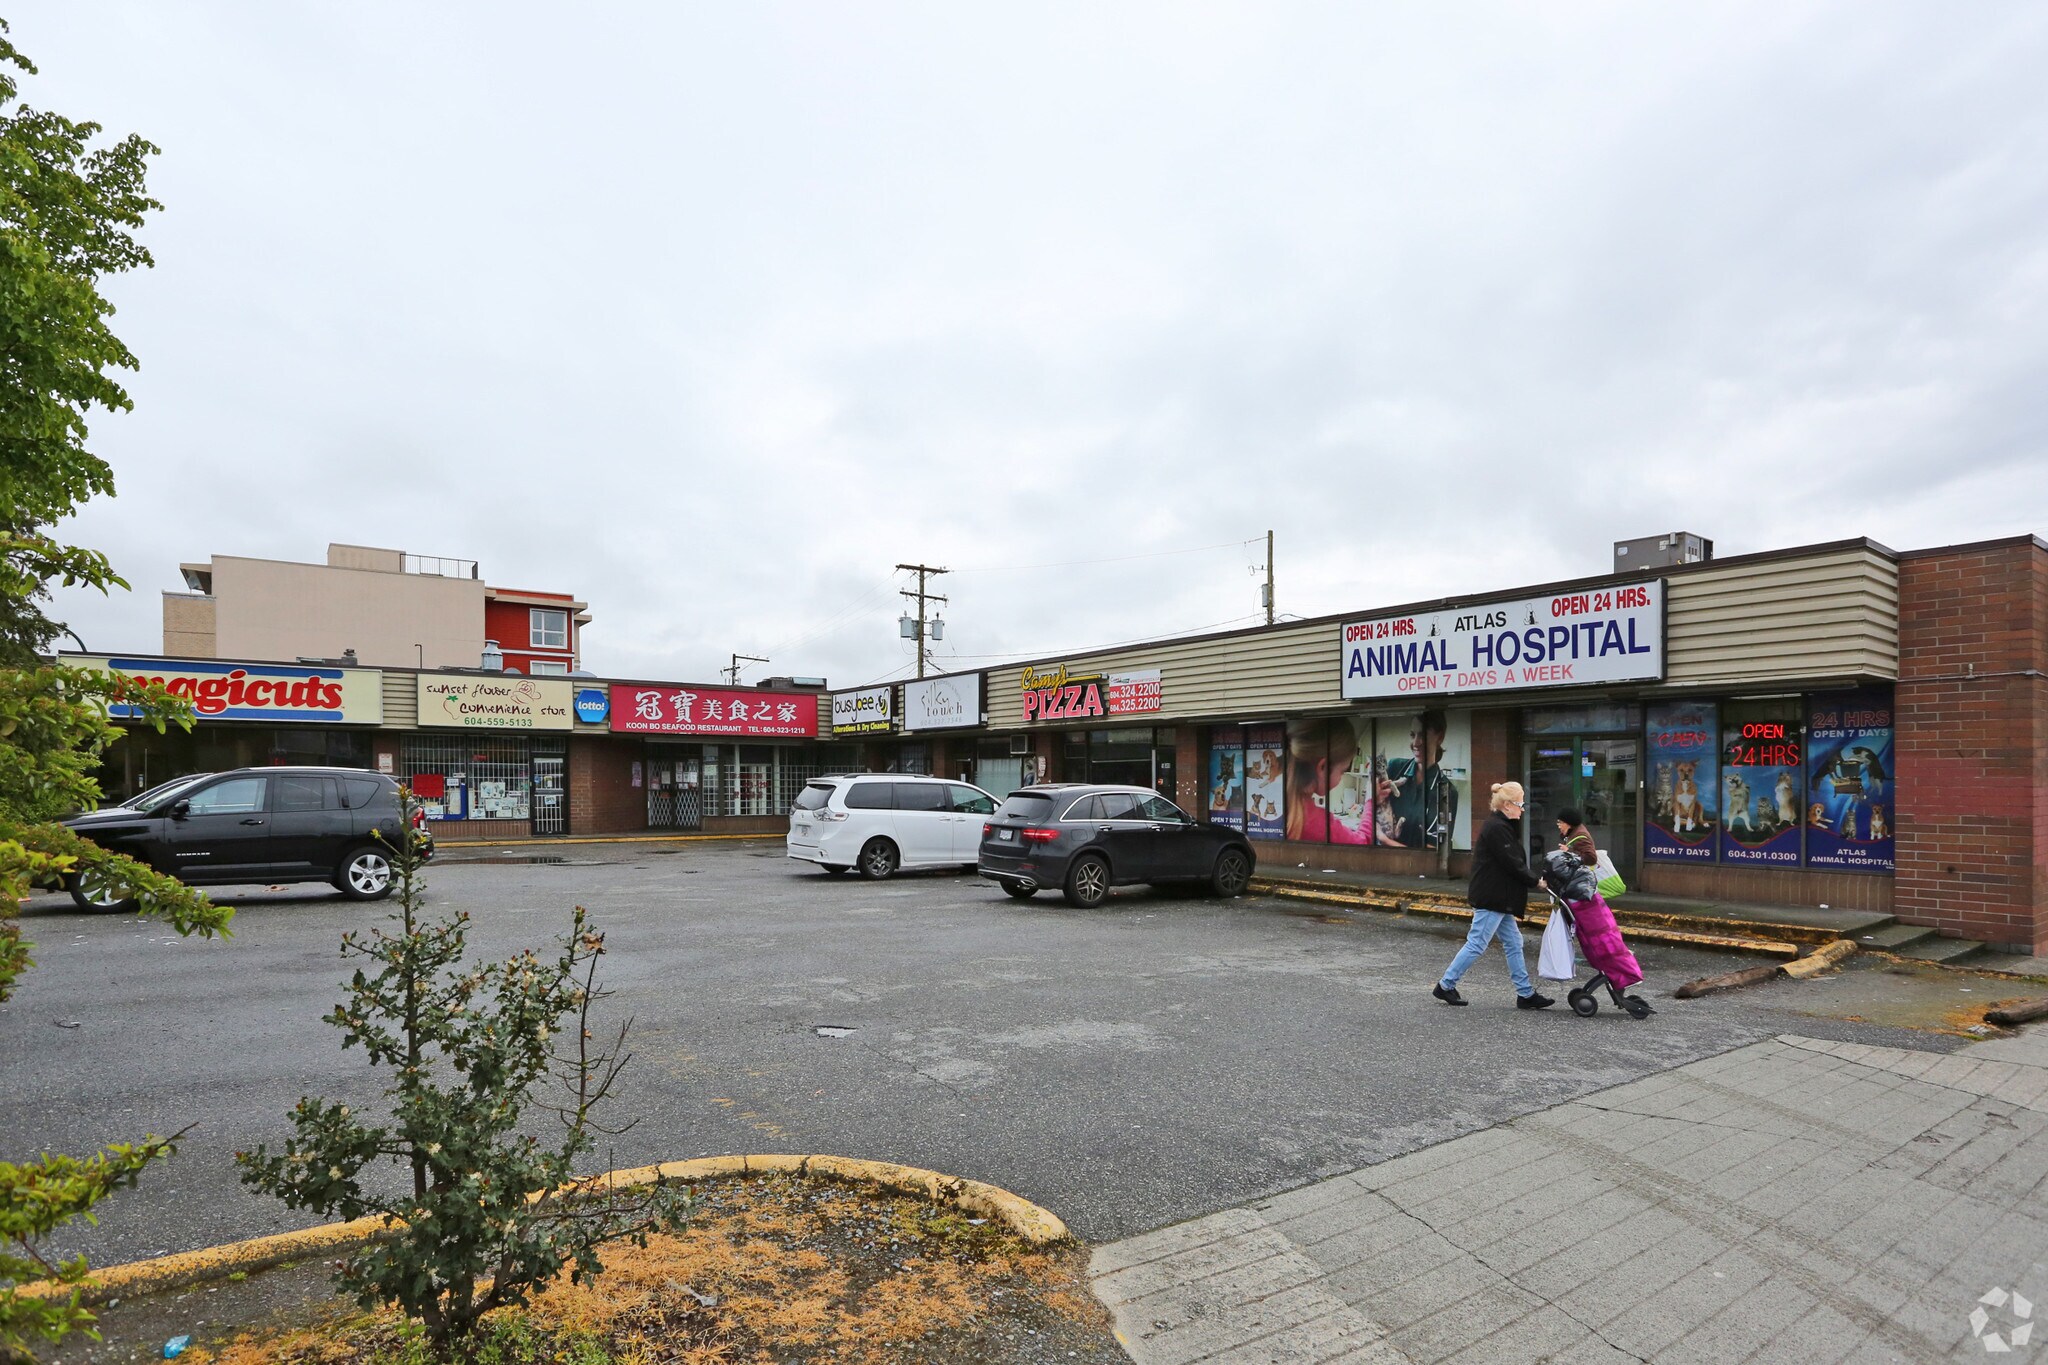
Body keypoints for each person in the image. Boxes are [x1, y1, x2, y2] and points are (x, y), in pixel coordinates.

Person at [1434, 781, 1553, 1009]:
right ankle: (1446, 985)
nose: (1523, 808)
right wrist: (1535, 881)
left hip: (1499, 896)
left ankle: (1525, 994)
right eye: (1520, 803)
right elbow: (1512, 863)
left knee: (1513, 942)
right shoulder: (1497, 828)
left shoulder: (1500, 825)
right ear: (1507, 805)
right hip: (1493, 896)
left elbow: (1512, 862)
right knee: (1477, 943)